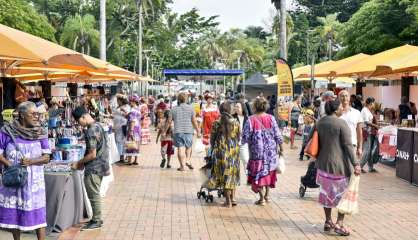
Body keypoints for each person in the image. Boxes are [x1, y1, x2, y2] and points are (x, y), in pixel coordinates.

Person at [0, 102, 50, 240]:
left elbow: (46, 157)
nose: (37, 117)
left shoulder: (40, 132)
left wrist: (31, 162)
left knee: (39, 216)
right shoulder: (7, 132)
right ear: (21, 115)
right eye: (33, 114)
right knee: (14, 216)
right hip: (13, 182)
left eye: (38, 114)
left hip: (34, 185)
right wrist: (10, 165)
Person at [315, 99, 361, 236]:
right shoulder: (341, 123)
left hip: (323, 165)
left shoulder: (320, 122)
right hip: (339, 166)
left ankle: (328, 221)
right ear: (336, 109)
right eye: (341, 107)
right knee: (342, 196)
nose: (343, 108)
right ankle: (339, 224)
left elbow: (312, 139)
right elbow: (348, 146)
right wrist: (356, 164)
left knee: (326, 194)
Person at [72, 106, 110, 230]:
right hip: (101, 165)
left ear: (83, 117)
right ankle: (96, 218)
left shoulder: (91, 130)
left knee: (93, 195)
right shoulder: (98, 125)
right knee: (95, 193)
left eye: (79, 121)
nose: (79, 124)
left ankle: (96, 220)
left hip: (94, 167)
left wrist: (79, 162)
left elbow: (92, 154)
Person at [242, 97, 283, 206]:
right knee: (268, 173)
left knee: (257, 175)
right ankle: (267, 196)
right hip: (271, 153)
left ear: (255, 106)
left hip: (256, 153)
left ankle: (262, 198)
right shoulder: (271, 118)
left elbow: (245, 137)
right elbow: (278, 136)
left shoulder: (250, 120)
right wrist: (281, 149)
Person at [206, 101, 241, 207]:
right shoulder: (235, 122)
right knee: (232, 175)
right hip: (233, 152)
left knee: (224, 175)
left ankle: (228, 201)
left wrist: (213, 148)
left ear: (220, 111)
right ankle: (233, 198)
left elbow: (212, 139)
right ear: (230, 110)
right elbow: (238, 137)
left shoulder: (217, 123)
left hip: (220, 152)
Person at [171, 93, 201, 171]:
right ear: (186, 99)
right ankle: (187, 160)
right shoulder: (191, 108)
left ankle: (182, 166)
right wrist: (198, 131)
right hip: (189, 131)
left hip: (178, 131)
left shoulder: (173, 109)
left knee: (180, 148)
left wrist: (164, 131)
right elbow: (194, 121)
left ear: (178, 99)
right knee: (188, 147)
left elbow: (169, 121)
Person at [338, 90, 363, 159]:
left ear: (349, 98)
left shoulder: (356, 113)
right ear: (338, 98)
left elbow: (359, 131)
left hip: (352, 145)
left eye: (346, 96)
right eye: (342, 96)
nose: (344, 98)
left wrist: (360, 147)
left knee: (351, 168)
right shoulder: (335, 113)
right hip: (337, 145)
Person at [361, 97, 380, 173]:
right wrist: (375, 126)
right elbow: (366, 122)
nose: (374, 104)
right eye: (373, 103)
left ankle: (370, 167)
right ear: (371, 103)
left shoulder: (368, 110)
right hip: (367, 132)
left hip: (370, 132)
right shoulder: (365, 110)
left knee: (370, 150)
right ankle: (360, 166)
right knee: (367, 150)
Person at [113, 95, 130, 163]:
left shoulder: (126, 107)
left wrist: (124, 111)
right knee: (118, 141)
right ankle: (119, 156)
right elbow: (115, 115)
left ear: (121, 101)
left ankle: (122, 156)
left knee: (122, 141)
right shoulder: (118, 107)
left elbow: (128, 115)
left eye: (118, 100)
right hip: (117, 126)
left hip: (123, 126)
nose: (117, 102)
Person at [125, 96, 142, 165]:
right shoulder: (138, 109)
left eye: (130, 101)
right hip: (138, 129)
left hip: (132, 128)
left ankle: (129, 160)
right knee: (137, 143)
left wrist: (131, 130)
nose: (129, 102)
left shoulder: (132, 110)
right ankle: (135, 160)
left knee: (130, 143)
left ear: (133, 102)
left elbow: (132, 121)